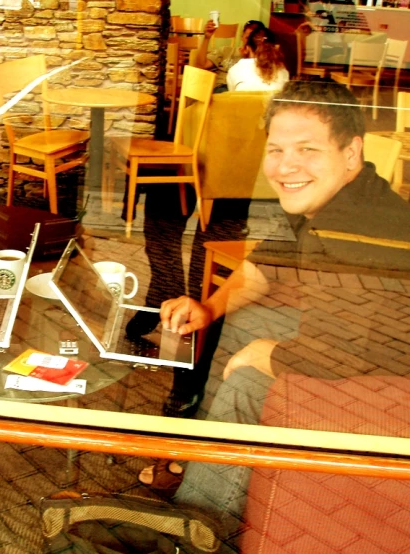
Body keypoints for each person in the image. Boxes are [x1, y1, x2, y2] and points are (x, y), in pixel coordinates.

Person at [157, 81, 410, 546]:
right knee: (245, 321)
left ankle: (196, 530)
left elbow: (342, 351)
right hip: (367, 354)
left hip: (391, 399)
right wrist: (209, 307)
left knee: (250, 382)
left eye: (307, 149)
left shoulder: (357, 228)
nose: (285, 165)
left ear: (350, 153)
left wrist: (268, 355)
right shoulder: (338, 196)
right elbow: (265, 266)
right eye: (276, 149)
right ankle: (207, 461)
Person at [195, 19, 268, 93]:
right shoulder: (226, 51)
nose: (250, 42)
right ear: (242, 36)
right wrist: (207, 38)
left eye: (254, 40)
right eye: (247, 38)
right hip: (222, 89)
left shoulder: (265, 58)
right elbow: (202, 65)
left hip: (247, 92)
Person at [226, 28, 289, 92]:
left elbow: (233, 96)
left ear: (248, 48)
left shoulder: (234, 70)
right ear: (276, 48)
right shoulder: (283, 72)